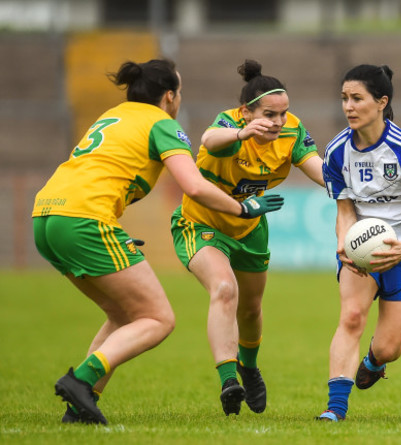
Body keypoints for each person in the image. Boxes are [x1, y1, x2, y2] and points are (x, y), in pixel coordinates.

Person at [32, 59, 284, 425]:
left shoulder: (113, 115)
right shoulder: (162, 124)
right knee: (158, 318)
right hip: (85, 219)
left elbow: (99, 171)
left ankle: (78, 408)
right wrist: (242, 208)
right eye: (178, 92)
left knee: (123, 314)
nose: (179, 100)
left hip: (47, 215)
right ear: (169, 96)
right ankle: (80, 380)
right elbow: (195, 185)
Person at [170, 59, 323, 416]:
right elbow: (209, 139)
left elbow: (314, 163)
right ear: (245, 112)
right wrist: (242, 134)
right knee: (224, 289)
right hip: (202, 223)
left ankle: (249, 368)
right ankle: (228, 380)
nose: (279, 122)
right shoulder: (229, 126)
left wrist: (342, 184)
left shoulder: (291, 130)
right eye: (270, 114)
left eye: (284, 113)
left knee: (251, 309)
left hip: (251, 227)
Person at [316, 64, 401, 422]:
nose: (348, 107)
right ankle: (335, 409)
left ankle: (373, 362)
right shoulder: (337, 152)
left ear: (382, 101)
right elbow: (344, 210)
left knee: (389, 347)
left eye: (357, 98)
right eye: (344, 99)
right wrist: (343, 243)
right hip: (361, 243)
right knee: (352, 316)